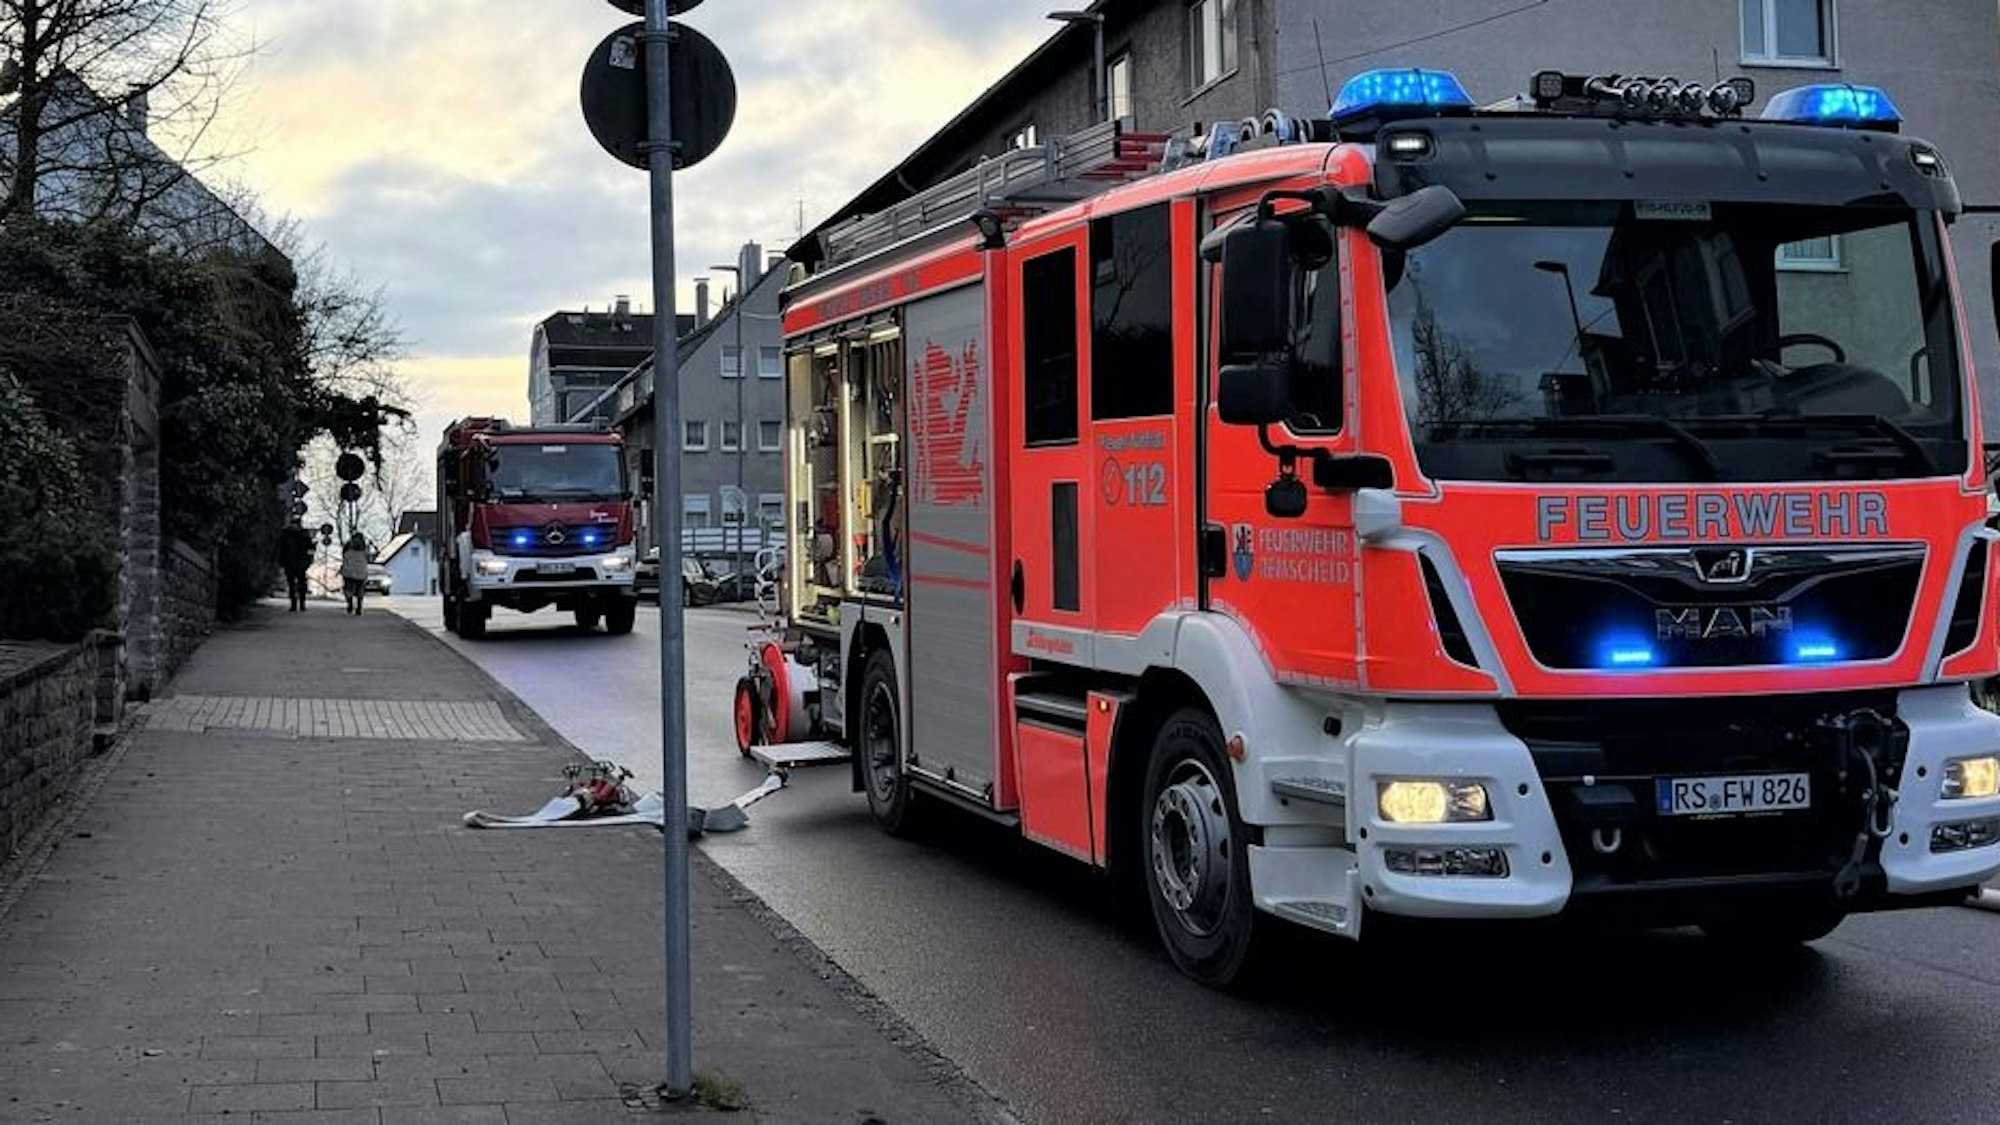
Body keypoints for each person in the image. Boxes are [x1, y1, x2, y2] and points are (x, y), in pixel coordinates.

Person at [278, 522, 314, 612]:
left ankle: (300, 603)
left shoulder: (302, 535)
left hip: (298, 563)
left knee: (299, 584)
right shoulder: (287, 534)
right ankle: (295, 603)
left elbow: (310, 549)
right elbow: (281, 549)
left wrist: (309, 561)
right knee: (293, 584)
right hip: (292, 562)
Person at [340, 533, 372, 615]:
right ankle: (359, 607)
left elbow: (344, 556)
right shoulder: (365, 548)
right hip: (361, 572)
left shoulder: (347, 546)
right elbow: (369, 559)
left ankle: (350, 604)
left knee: (348, 589)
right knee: (360, 591)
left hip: (349, 571)